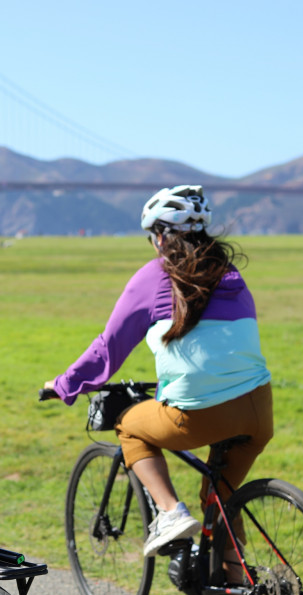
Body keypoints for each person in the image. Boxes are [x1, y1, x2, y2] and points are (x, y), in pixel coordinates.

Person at [44, 185, 273, 560]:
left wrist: (64, 384)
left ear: (162, 235)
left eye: (153, 235)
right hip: (258, 407)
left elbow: (108, 348)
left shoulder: (154, 277)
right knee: (221, 499)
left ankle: (169, 513)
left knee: (129, 424)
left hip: (198, 410)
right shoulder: (231, 275)